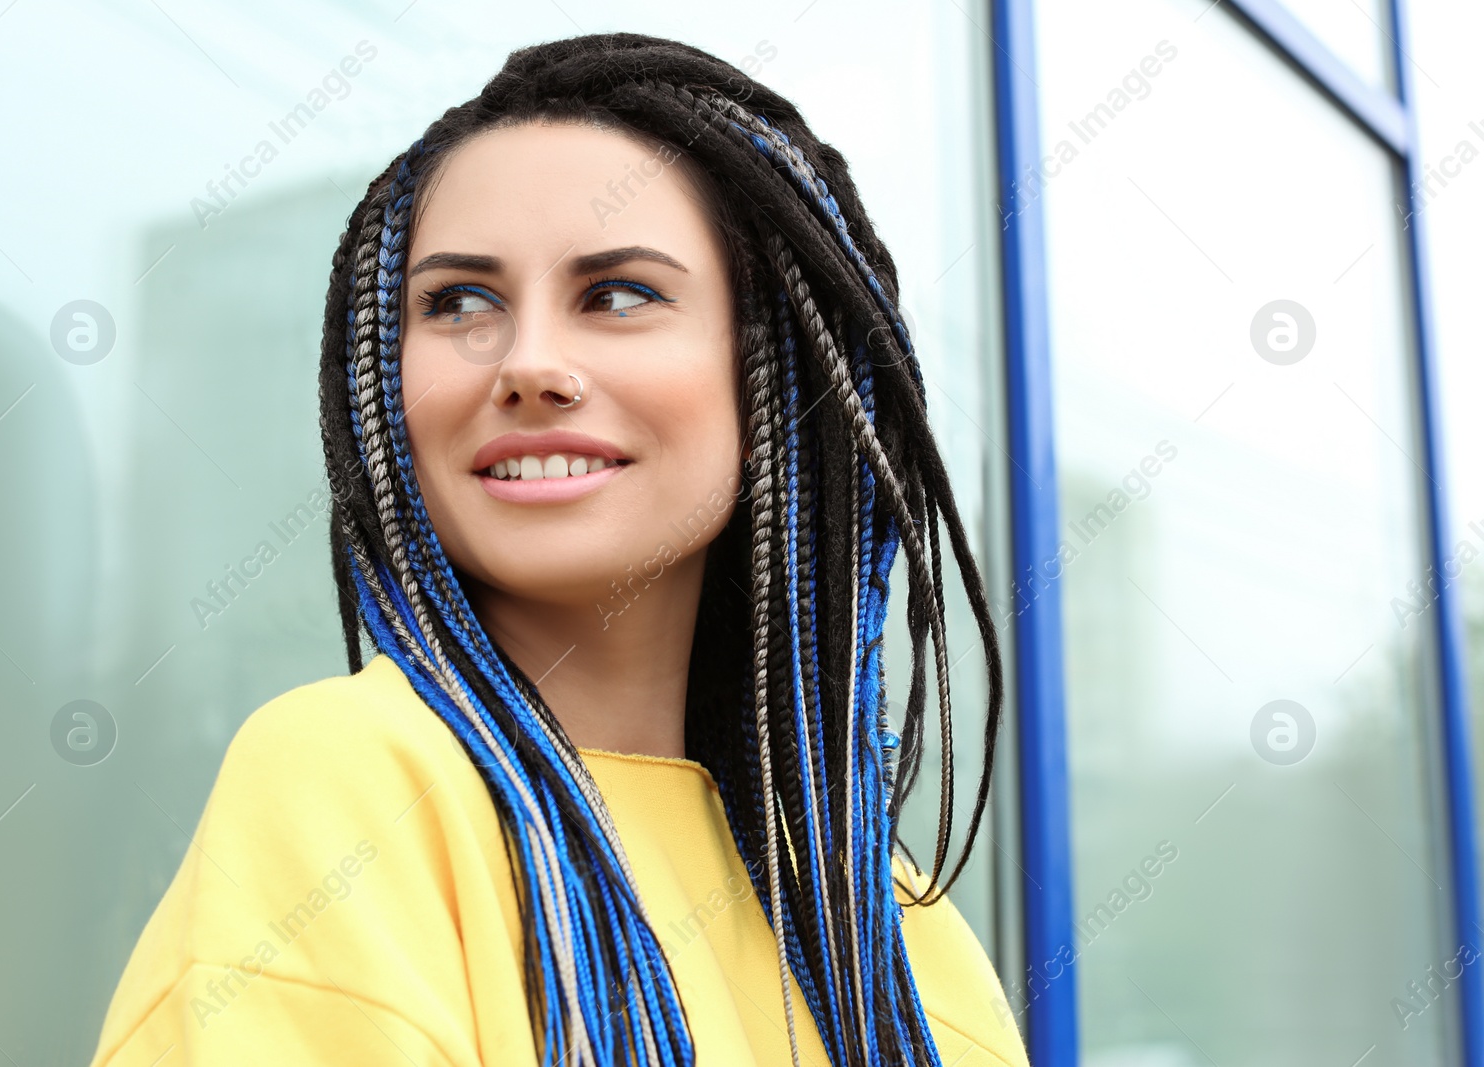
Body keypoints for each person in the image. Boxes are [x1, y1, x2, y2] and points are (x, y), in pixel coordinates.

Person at [88, 31, 1026, 1067]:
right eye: (460, 302)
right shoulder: (354, 783)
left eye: (618, 293)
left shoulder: (882, 927)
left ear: (771, 372)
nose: (528, 363)